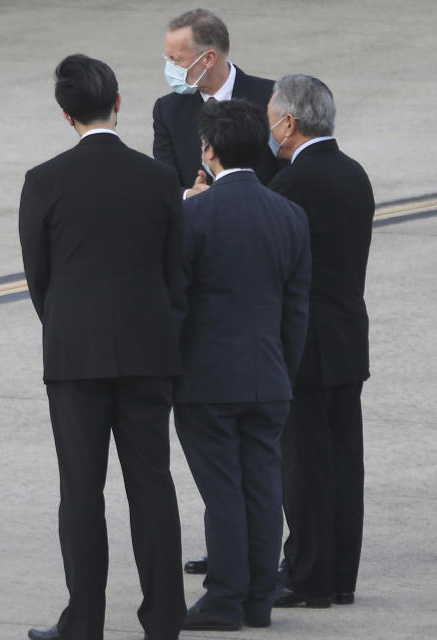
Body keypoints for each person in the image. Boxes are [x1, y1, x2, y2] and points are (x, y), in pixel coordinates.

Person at [20, 53, 187, 640]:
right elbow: (174, 273)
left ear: (66, 114)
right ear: (119, 103)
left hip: (75, 355)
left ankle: (84, 621)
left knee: (81, 492)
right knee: (153, 486)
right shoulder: (159, 177)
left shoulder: (43, 181)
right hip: (148, 351)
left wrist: (69, 325)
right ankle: (165, 618)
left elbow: (39, 278)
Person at [172, 99, 311, 631]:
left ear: (209, 150)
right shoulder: (289, 214)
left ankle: (226, 597)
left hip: (207, 380)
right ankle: (258, 598)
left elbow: (178, 303)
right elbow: (296, 309)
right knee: (263, 486)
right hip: (270, 374)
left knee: (223, 491)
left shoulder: (194, 214)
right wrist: (282, 369)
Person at [266, 75, 374, 609]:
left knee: (304, 463)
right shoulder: (355, 174)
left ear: (289, 121)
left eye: (270, 115)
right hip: (348, 338)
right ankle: (339, 576)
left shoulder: (291, 184)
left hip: (304, 343)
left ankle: (307, 575)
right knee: (343, 460)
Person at [153, 8, 280, 201]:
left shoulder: (272, 98)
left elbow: (291, 171)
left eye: (176, 60)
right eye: (168, 58)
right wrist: (189, 195)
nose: (170, 67)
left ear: (208, 59)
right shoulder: (167, 110)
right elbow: (164, 182)